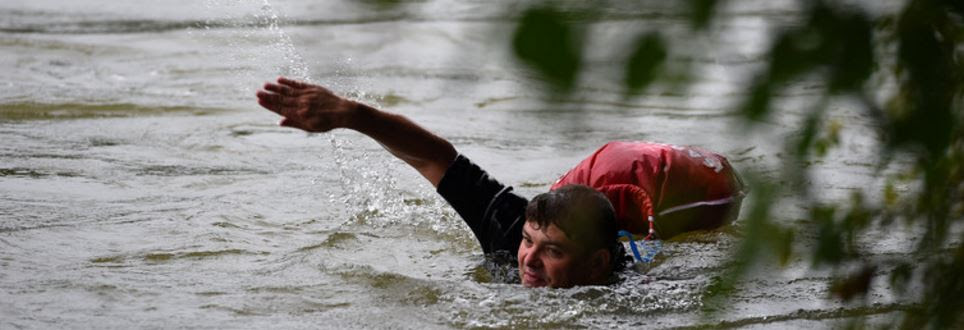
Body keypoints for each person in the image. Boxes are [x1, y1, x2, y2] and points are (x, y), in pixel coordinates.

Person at [255, 77, 744, 288]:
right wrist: (351, 115)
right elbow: (434, 158)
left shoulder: (633, 288)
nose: (528, 259)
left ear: (597, 264)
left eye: (551, 250)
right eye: (532, 243)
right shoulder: (512, 233)